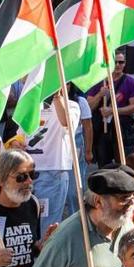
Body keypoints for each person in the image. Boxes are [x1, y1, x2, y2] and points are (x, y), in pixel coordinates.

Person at [24, 91, 87, 237]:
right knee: (27, 220)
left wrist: (57, 97)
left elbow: (67, 123)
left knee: (46, 224)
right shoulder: (31, 104)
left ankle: (45, 256)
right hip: (27, 172)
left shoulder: (72, 105)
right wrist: (16, 142)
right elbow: (20, 133)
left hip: (52, 173)